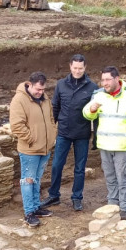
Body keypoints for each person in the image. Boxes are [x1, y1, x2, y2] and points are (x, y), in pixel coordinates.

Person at [40, 54, 99, 212]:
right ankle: (54, 195)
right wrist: (53, 128)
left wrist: (96, 138)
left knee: (80, 168)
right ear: (70, 67)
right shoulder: (61, 84)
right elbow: (55, 107)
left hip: (82, 133)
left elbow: (96, 113)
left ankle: (77, 197)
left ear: (85, 68)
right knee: (57, 165)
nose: (78, 71)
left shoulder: (92, 88)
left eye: (80, 68)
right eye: (75, 68)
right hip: (64, 132)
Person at [82, 66, 126, 220]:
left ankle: (125, 207)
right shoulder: (99, 95)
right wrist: (92, 109)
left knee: (123, 178)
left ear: (117, 78)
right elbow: (87, 114)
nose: (104, 83)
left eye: (108, 79)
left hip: (122, 145)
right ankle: (112, 205)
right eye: (102, 80)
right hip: (105, 144)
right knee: (110, 177)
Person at [9, 72, 57, 227]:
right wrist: (32, 139)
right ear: (29, 85)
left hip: (45, 147)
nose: (40, 93)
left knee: (37, 179)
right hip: (30, 149)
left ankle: (36, 207)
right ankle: (29, 212)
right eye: (37, 89)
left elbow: (51, 118)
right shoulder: (19, 100)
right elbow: (17, 125)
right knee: (28, 180)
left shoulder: (45, 99)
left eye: (42, 90)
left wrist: (52, 134)